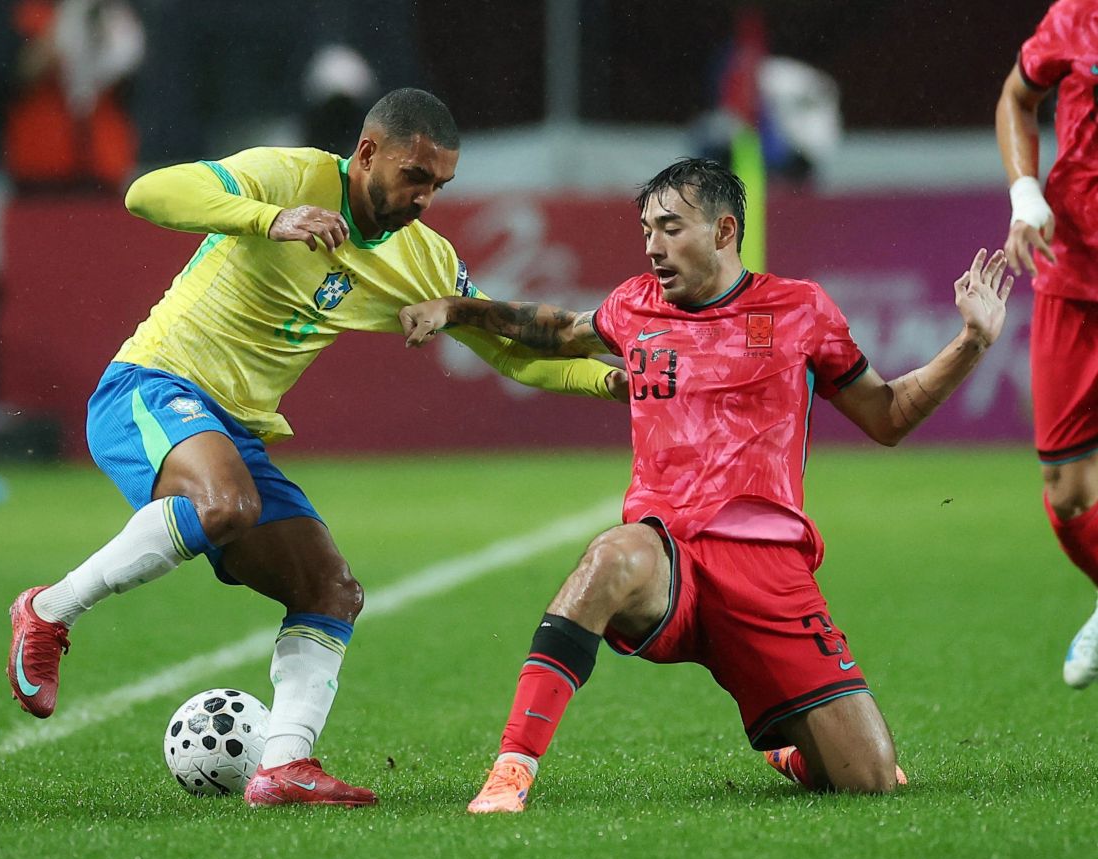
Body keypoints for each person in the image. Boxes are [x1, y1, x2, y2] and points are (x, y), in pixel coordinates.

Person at [5, 87, 625, 808]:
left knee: (331, 591)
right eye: (414, 177)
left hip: (234, 433)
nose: (425, 198)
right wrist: (271, 220)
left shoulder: (422, 259)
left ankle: (285, 764)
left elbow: (515, 356)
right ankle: (47, 612)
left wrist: (609, 381)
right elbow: (149, 193)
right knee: (225, 503)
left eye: (440, 185)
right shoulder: (291, 176)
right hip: (151, 385)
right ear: (366, 154)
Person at [400, 158, 1012, 812]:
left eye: (670, 228)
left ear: (723, 231)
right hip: (669, 561)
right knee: (609, 555)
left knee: (869, 780)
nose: (652, 246)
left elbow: (887, 414)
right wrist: (457, 308)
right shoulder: (635, 304)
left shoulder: (801, 310)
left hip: (768, 573)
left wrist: (972, 342)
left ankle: (788, 741)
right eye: (645, 230)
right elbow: (558, 331)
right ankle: (510, 774)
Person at [996, 0, 1098, 689]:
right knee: (1065, 493)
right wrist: (1026, 190)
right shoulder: (1077, 16)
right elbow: (1016, 95)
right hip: (1076, 273)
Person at [4, 0, 145, 194]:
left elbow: (128, 78)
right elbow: (9, 78)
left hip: (103, 163)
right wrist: (54, 40)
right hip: (42, 162)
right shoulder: (31, 13)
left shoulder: (115, 15)